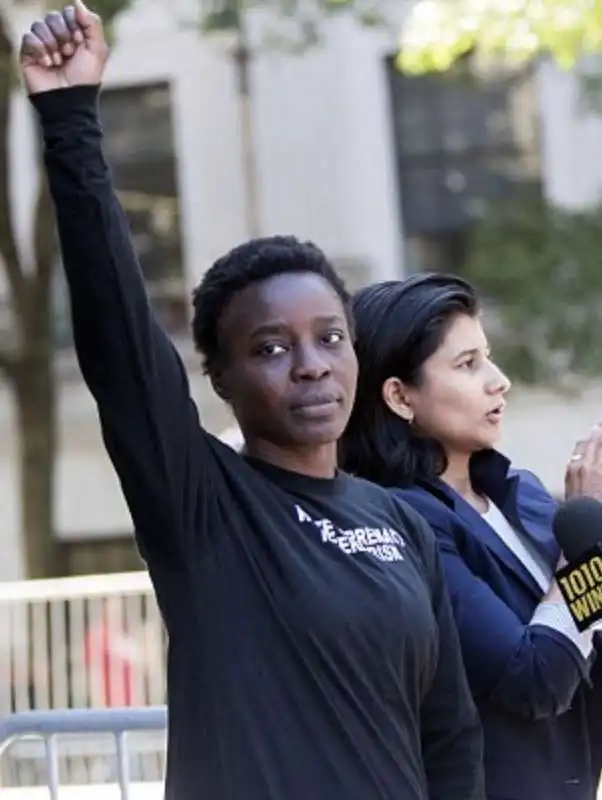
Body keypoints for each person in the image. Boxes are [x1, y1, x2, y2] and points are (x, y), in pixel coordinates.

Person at [19, 6, 485, 799]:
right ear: (221, 378)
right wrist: (70, 121)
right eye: (271, 348)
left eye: (330, 338)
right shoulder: (204, 506)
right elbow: (121, 347)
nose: (310, 366)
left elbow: (449, 735)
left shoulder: (399, 521)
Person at [340, 272, 602, 800]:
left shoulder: (521, 495)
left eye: (488, 356)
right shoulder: (401, 521)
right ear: (398, 396)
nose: (498, 380)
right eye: (467, 365)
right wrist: (585, 542)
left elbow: (586, 638)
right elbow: (533, 678)